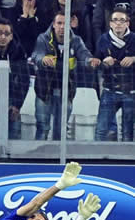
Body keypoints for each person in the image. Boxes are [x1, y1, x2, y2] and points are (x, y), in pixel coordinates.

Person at [32, 11, 101, 141]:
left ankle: (58, 159)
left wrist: (90, 60)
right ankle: (39, 157)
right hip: (44, 89)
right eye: (59, 23)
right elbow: (36, 55)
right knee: (42, 126)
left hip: (67, 90)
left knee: (61, 127)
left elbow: (84, 54)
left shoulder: (76, 40)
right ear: (53, 24)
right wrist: (43, 59)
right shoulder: (43, 38)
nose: (62, 27)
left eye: (65, 23)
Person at [94, 8, 135, 142]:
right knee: (101, 130)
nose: (118, 23)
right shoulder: (103, 39)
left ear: (127, 23)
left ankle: (127, 163)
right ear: (110, 23)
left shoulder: (134, 39)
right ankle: (97, 160)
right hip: (109, 90)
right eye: (115, 20)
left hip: (131, 91)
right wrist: (104, 63)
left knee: (128, 133)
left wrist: (134, 58)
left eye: (122, 20)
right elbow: (95, 62)